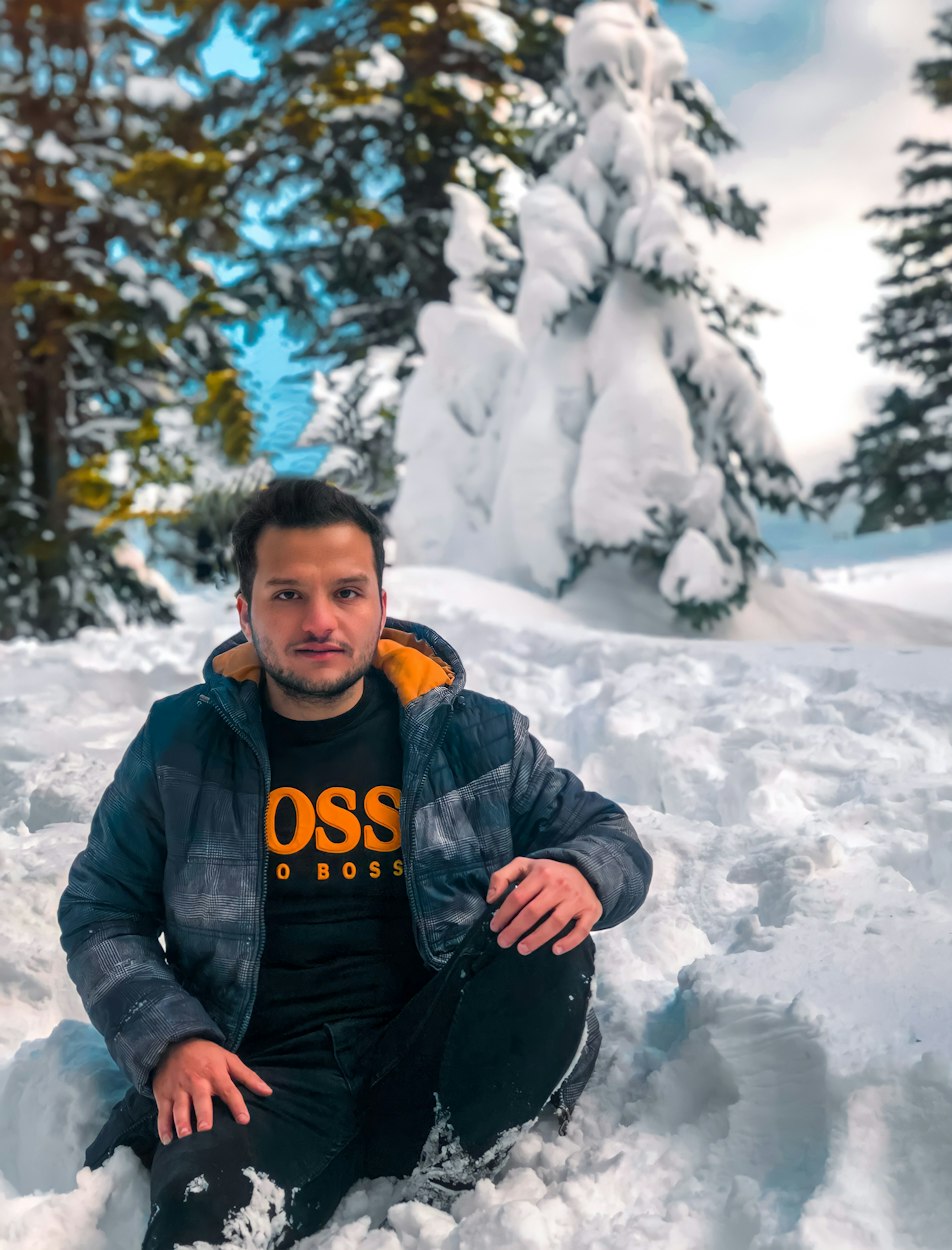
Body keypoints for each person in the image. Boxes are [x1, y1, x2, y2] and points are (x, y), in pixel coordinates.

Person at [58, 479, 653, 1249]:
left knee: (551, 924)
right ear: (245, 612)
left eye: (345, 592)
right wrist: (172, 1040)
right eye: (286, 595)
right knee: (202, 1222)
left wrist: (581, 873)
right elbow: (101, 911)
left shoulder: (476, 737)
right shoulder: (178, 745)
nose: (319, 621)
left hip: (440, 1054)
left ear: (380, 601)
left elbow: (606, 834)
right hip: (262, 1078)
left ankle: (456, 1172)